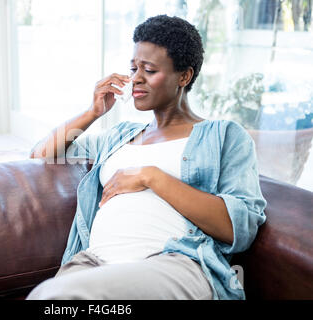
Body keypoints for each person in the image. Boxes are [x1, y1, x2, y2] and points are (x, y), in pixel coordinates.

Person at [27, 15, 267, 300]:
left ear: (184, 76)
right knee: (48, 298)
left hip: (173, 263)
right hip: (94, 263)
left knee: (58, 297)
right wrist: (92, 112)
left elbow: (238, 227)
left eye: (149, 70)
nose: (136, 78)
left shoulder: (224, 136)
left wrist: (151, 177)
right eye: (133, 68)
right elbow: (41, 154)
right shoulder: (119, 136)